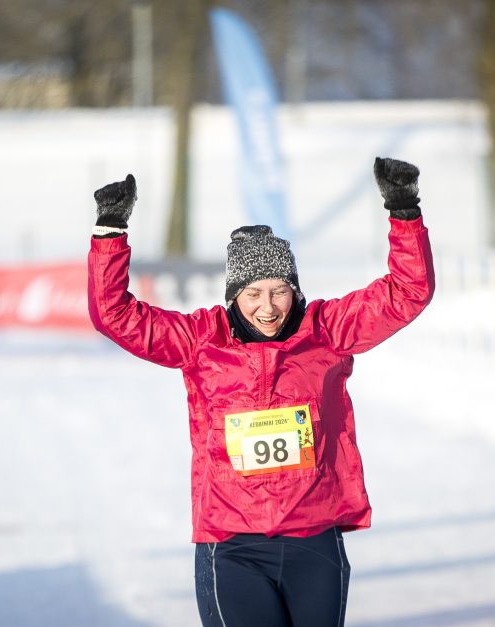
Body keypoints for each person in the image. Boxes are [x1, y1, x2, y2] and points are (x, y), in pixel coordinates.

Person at [87, 158, 434, 627]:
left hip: (314, 541)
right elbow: (116, 316)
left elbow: (407, 292)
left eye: (279, 291)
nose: (267, 307)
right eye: (252, 294)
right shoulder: (200, 340)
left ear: (294, 290)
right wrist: (110, 230)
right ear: (234, 295)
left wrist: (403, 210)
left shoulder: (326, 332)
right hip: (232, 546)